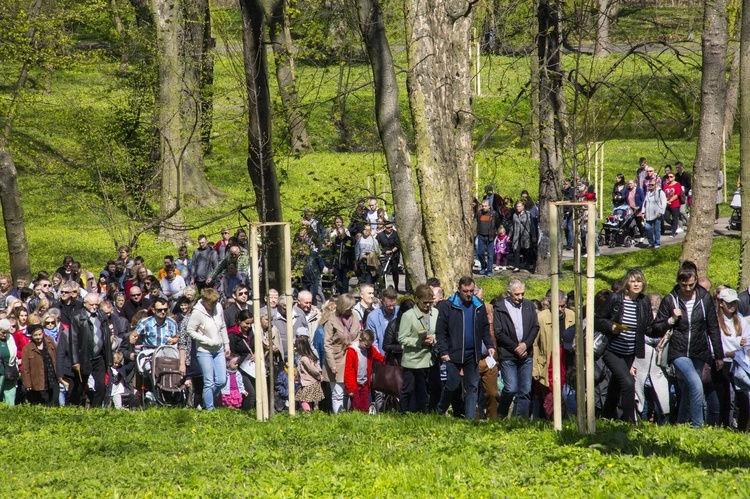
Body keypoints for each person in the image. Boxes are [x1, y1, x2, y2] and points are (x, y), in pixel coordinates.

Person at [654, 261, 724, 428]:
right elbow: (654, 329)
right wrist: (671, 319)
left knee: (687, 389)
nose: (687, 288)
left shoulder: (704, 298)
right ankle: (697, 426)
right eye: (683, 285)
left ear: (696, 281)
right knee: (695, 383)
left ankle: (680, 424)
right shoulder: (670, 299)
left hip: (699, 350)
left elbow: (712, 326)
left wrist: (718, 355)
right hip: (678, 351)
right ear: (678, 282)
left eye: (691, 285)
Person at [594, 268, 659, 423]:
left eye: (639, 281)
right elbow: (598, 319)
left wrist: (668, 323)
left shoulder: (643, 302)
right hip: (612, 350)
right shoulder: (616, 298)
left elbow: (649, 327)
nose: (636, 284)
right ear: (626, 283)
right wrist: (611, 327)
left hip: (630, 351)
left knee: (615, 387)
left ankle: (606, 418)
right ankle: (630, 423)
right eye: (633, 281)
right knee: (628, 383)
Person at [435, 276, 494, 420]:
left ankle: (470, 421)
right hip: (453, 354)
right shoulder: (448, 306)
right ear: (459, 289)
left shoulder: (478, 305)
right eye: (465, 291)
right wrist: (443, 351)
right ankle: (440, 409)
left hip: (472, 353)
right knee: (452, 386)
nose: (469, 294)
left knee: (472, 387)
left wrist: (489, 345)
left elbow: (485, 328)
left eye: (471, 291)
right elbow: (440, 332)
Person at [495, 279, 540, 419]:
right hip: (508, 354)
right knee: (510, 388)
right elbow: (498, 332)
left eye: (522, 294)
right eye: (517, 294)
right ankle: (501, 413)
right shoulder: (500, 308)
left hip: (526, 353)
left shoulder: (528, 305)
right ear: (509, 293)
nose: (520, 297)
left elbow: (535, 327)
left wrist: (526, 344)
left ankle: (520, 420)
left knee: (525, 390)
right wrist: (515, 347)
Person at [532, 290, 575, 420]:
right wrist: (536, 368)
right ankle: (552, 421)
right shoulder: (542, 318)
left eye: (563, 306)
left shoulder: (571, 315)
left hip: (567, 360)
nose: (561, 309)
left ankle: (569, 420)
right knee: (550, 396)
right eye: (558, 306)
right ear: (550, 303)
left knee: (568, 392)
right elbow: (535, 344)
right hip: (548, 362)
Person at [187, 288, 229, 411]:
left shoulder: (219, 307)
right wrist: (207, 341)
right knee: (209, 382)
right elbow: (190, 331)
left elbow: (223, 326)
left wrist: (226, 344)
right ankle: (209, 409)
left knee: (221, 380)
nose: (214, 305)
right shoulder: (197, 313)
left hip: (219, 349)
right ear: (204, 301)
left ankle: (205, 401)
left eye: (216, 302)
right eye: (212, 303)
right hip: (204, 350)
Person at [714, 288, 750, 430]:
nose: (732, 306)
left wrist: (743, 347)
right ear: (721, 303)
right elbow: (714, 344)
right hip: (722, 363)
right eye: (729, 303)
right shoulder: (715, 321)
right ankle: (724, 427)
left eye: (734, 302)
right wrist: (727, 353)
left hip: (739, 364)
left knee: (742, 400)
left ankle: (741, 429)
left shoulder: (741, 320)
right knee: (726, 400)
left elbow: (747, 342)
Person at [398, 284, 437, 414]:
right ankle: (403, 413)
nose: (428, 305)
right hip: (412, 359)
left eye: (430, 302)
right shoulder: (408, 315)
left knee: (424, 390)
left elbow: (440, 332)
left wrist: (433, 339)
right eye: (425, 302)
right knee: (408, 389)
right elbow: (402, 338)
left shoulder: (435, 313)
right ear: (417, 299)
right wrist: (419, 342)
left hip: (429, 359)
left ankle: (423, 414)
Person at [69, 293, 113, 407]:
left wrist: (109, 358)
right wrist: (75, 361)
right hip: (84, 357)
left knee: (101, 386)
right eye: (92, 304)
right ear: (85, 304)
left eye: (97, 305)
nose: (94, 307)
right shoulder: (77, 317)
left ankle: (96, 409)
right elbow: (73, 340)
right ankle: (77, 407)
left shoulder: (101, 315)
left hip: (99, 358)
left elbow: (106, 337)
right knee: (81, 386)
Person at [633, 293, 671, 424]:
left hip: (659, 370)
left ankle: (661, 427)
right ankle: (641, 425)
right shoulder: (640, 325)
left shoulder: (664, 324)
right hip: (641, 368)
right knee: (641, 402)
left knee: (660, 402)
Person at [323, 294, 360, 413]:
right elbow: (327, 344)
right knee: (338, 392)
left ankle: (349, 415)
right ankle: (338, 417)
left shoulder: (355, 316)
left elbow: (358, 335)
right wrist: (332, 364)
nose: (351, 310)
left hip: (351, 358)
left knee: (350, 391)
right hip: (337, 359)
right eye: (349, 307)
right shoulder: (331, 321)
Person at [344, 329, 385, 412]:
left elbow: (378, 357)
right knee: (355, 406)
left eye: (369, 345)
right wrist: (350, 388)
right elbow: (348, 370)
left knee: (364, 406)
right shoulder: (352, 350)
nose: (367, 347)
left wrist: (386, 361)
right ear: (360, 340)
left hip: (365, 383)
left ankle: (363, 422)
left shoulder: (370, 349)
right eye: (366, 345)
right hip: (355, 384)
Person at [227, 309, 257, 410]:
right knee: (250, 394)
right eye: (246, 323)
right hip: (240, 369)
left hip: (252, 368)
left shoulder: (252, 333)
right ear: (239, 321)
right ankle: (246, 415)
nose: (249, 326)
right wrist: (243, 358)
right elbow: (231, 354)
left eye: (251, 324)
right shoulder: (233, 335)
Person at [365, 287, 399, 355]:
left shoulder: (400, 312)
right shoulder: (372, 317)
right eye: (388, 305)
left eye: (394, 305)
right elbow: (373, 342)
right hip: (382, 355)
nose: (392, 308)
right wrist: (380, 358)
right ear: (382, 302)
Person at [295, 335, 324, 411]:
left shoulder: (304, 359)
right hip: (311, 382)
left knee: (304, 400)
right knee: (310, 400)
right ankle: (312, 412)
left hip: (308, 383)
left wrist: (318, 375)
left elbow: (313, 369)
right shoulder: (310, 357)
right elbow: (317, 366)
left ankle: (308, 412)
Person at [475, 200, 501, 277]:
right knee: (480, 253)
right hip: (481, 236)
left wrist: (495, 233)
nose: (484, 207)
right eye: (483, 206)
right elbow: (478, 222)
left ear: (489, 206)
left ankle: (489, 270)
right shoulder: (479, 213)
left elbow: (498, 223)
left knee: (490, 255)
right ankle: (483, 266)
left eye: (485, 206)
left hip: (490, 236)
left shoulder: (493, 214)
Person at [330, 215, 354, 295]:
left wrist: (352, 266)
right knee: (338, 283)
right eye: (338, 234)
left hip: (346, 266)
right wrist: (331, 266)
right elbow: (332, 253)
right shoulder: (335, 241)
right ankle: (340, 296)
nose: (340, 236)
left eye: (341, 234)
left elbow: (352, 254)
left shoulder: (349, 240)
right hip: (337, 266)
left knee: (345, 284)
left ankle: (345, 297)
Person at [375, 219, 401, 290]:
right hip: (384, 255)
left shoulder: (395, 235)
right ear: (384, 228)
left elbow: (398, 245)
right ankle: (383, 287)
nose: (390, 229)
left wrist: (392, 251)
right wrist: (382, 251)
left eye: (391, 227)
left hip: (394, 255)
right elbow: (377, 244)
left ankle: (396, 287)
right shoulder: (380, 235)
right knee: (383, 271)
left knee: (395, 271)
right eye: (388, 227)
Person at [642, 177, 667, 249]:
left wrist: (661, 212)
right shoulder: (648, 193)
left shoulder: (660, 192)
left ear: (656, 185)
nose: (650, 186)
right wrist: (643, 212)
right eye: (650, 185)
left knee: (656, 230)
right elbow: (645, 203)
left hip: (657, 214)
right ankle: (651, 242)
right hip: (649, 215)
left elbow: (664, 203)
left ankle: (657, 243)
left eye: (652, 185)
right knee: (647, 228)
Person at [509, 201, 533, 273]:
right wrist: (509, 236)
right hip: (517, 235)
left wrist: (533, 235)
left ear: (523, 207)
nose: (518, 208)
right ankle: (517, 266)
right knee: (516, 249)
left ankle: (530, 263)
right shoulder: (514, 215)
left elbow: (531, 225)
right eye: (517, 206)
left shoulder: (528, 214)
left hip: (526, 235)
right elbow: (512, 226)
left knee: (527, 249)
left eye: (519, 206)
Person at [0, 319, 18, 405]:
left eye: (6, 332)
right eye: (2, 332)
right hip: (0, 371)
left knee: (10, 397)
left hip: (9, 371)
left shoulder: (10, 339)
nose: (4, 334)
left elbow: (14, 355)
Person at [662, 172, 683, 237]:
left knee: (675, 218)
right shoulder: (665, 185)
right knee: (666, 217)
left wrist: (670, 200)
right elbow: (663, 194)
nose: (669, 178)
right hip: (667, 204)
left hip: (675, 204)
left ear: (674, 177)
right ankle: (674, 225)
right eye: (668, 177)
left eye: (671, 177)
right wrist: (666, 201)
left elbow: (677, 194)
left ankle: (673, 232)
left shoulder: (677, 184)